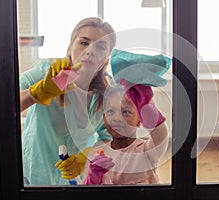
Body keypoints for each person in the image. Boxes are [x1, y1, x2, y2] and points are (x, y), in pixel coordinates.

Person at [19, 17, 116, 185]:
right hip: (32, 176)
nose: (90, 51)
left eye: (100, 46)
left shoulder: (108, 94)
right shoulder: (45, 73)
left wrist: (86, 157)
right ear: (70, 47)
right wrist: (38, 92)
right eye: (84, 43)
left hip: (77, 179)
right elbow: (2, 102)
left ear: (107, 58)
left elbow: (108, 137)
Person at [80, 79, 169, 184]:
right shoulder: (96, 153)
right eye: (110, 111)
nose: (117, 118)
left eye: (126, 112)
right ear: (104, 117)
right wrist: (93, 177)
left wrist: (146, 107)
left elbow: (161, 136)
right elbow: (85, 192)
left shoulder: (146, 150)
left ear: (139, 119)